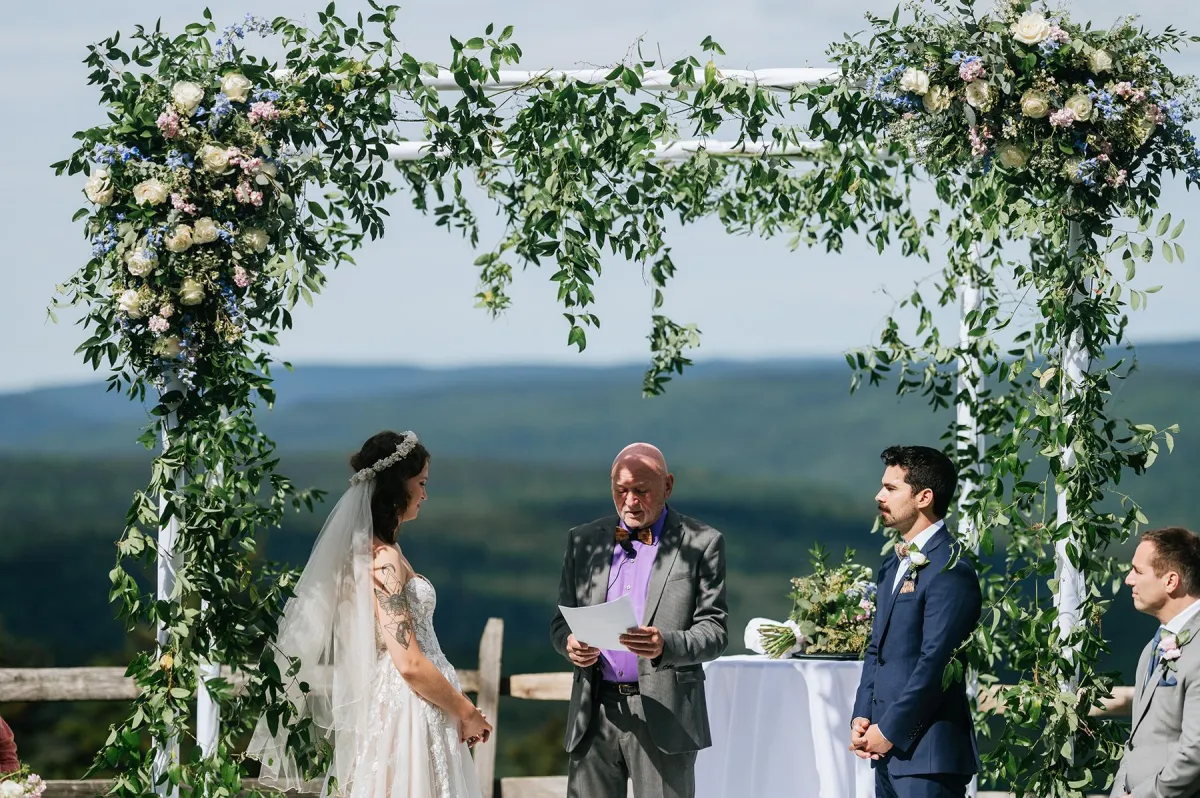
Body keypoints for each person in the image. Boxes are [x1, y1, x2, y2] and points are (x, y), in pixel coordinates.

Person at [248, 430, 491, 798]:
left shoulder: (376, 552)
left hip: (411, 699)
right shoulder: (383, 561)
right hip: (412, 703)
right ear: (397, 487)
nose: (425, 494)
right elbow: (409, 662)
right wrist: (467, 711)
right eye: (421, 483)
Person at [550, 443, 728, 798]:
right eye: (621, 490)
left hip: (666, 714)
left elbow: (715, 631)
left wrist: (665, 644)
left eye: (641, 491)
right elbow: (560, 621)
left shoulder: (703, 543)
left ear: (668, 485)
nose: (630, 501)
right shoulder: (582, 541)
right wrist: (569, 643)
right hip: (593, 712)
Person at [850, 445, 982, 798]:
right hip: (886, 753)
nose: (879, 496)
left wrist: (888, 730)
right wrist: (862, 716)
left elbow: (936, 664)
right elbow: (877, 650)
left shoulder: (951, 568)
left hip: (929, 757)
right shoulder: (892, 565)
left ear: (924, 497)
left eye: (891, 488)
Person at [1111, 526, 1200, 798]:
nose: (1128, 580)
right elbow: (1135, 742)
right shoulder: (1153, 647)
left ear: (1171, 581)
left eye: (1138, 571)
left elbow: (1196, 751)